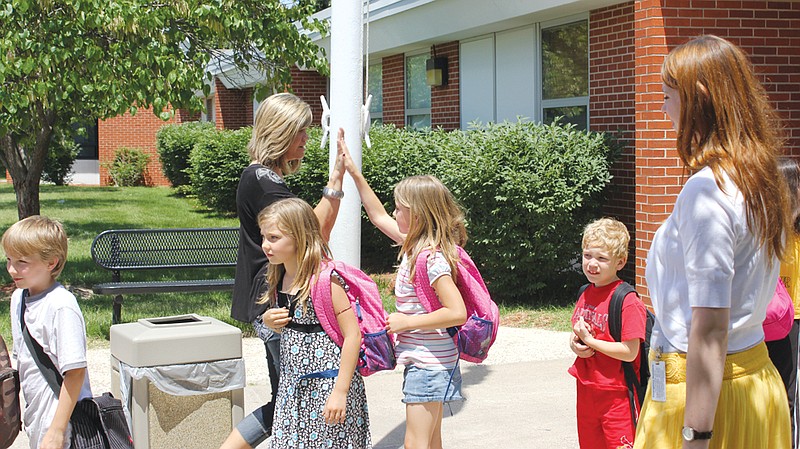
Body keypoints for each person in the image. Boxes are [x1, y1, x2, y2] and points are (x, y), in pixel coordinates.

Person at [634, 35, 793, 449]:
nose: (663, 108)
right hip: (755, 380)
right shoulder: (763, 181)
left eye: (668, 96)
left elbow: (709, 327)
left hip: (705, 397)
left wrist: (696, 435)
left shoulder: (709, 191)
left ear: (698, 99)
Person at [224, 93, 347, 449]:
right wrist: (336, 181)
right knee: (293, 400)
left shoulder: (260, 177)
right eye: (301, 133)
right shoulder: (265, 181)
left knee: (287, 398)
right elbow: (312, 233)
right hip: (278, 304)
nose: (306, 140)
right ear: (280, 132)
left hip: (272, 301)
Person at [341, 141, 467, 449]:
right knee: (431, 442)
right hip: (435, 361)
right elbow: (377, 215)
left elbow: (457, 312)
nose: (394, 213)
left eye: (400, 209)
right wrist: (355, 174)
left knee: (415, 443)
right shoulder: (415, 246)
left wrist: (405, 323)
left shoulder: (431, 259)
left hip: (427, 364)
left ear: (419, 216)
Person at [257, 197, 371, 448]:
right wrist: (269, 320)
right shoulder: (279, 275)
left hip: (328, 384)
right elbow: (286, 324)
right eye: (264, 237)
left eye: (274, 238)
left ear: (299, 236)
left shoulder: (325, 280)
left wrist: (340, 392)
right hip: (293, 386)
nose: (266, 245)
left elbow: (352, 336)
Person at [2, 216, 93, 449]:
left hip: (63, 423)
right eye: (8, 259)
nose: (11, 269)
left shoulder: (61, 306)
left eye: (22, 262)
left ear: (51, 262)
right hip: (36, 417)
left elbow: (75, 373)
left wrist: (57, 431)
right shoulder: (19, 298)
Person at [569, 218, 646, 449]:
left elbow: (629, 352)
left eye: (602, 259)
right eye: (587, 256)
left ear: (620, 262)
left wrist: (592, 340)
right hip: (586, 389)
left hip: (617, 396)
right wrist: (577, 345)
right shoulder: (585, 292)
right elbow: (580, 333)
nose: (592, 264)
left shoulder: (627, 300)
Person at [767, 157, 800, 448]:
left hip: (783, 318)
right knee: (780, 392)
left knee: (783, 393)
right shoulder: (766, 226)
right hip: (777, 319)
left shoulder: (771, 226)